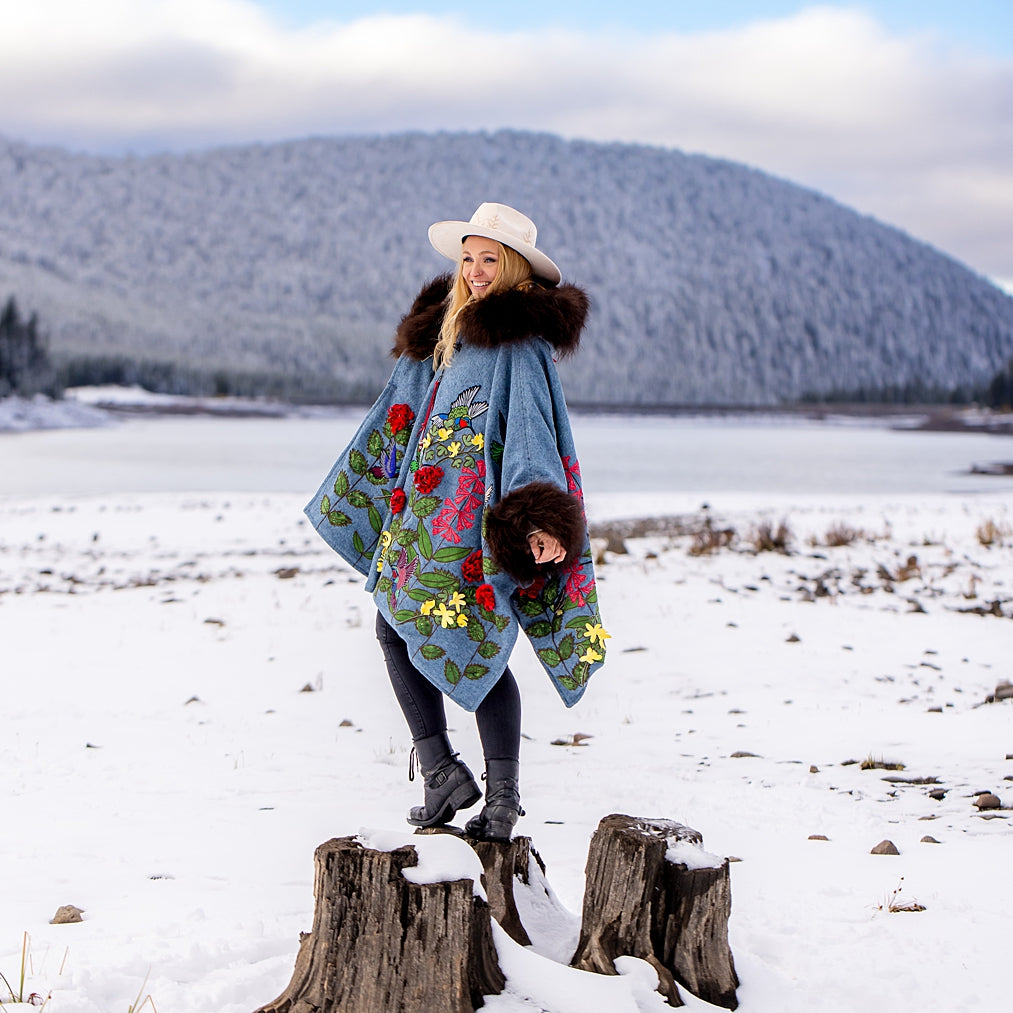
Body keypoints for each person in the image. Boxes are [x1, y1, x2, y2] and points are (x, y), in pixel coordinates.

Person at [306, 202, 608, 840]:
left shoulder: (516, 346)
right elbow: (403, 414)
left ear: (516, 268)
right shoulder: (450, 330)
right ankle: (462, 781)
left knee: (467, 645)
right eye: (466, 258)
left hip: (472, 529)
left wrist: (539, 523)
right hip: (426, 522)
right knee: (402, 629)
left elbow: (531, 437)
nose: (473, 270)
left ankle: (476, 786)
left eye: (488, 259)